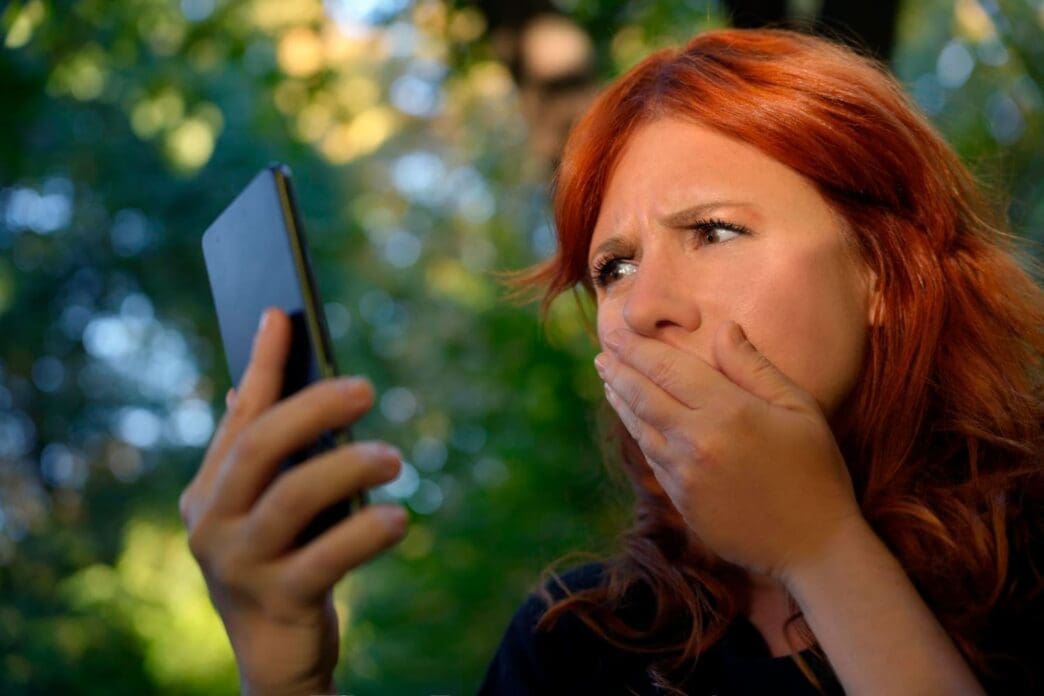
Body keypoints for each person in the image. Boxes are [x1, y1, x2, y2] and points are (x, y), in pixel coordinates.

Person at [180, 28, 1042, 695]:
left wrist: (823, 549)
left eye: (713, 231)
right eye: (613, 267)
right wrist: (286, 676)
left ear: (887, 273)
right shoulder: (579, 643)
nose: (639, 306)